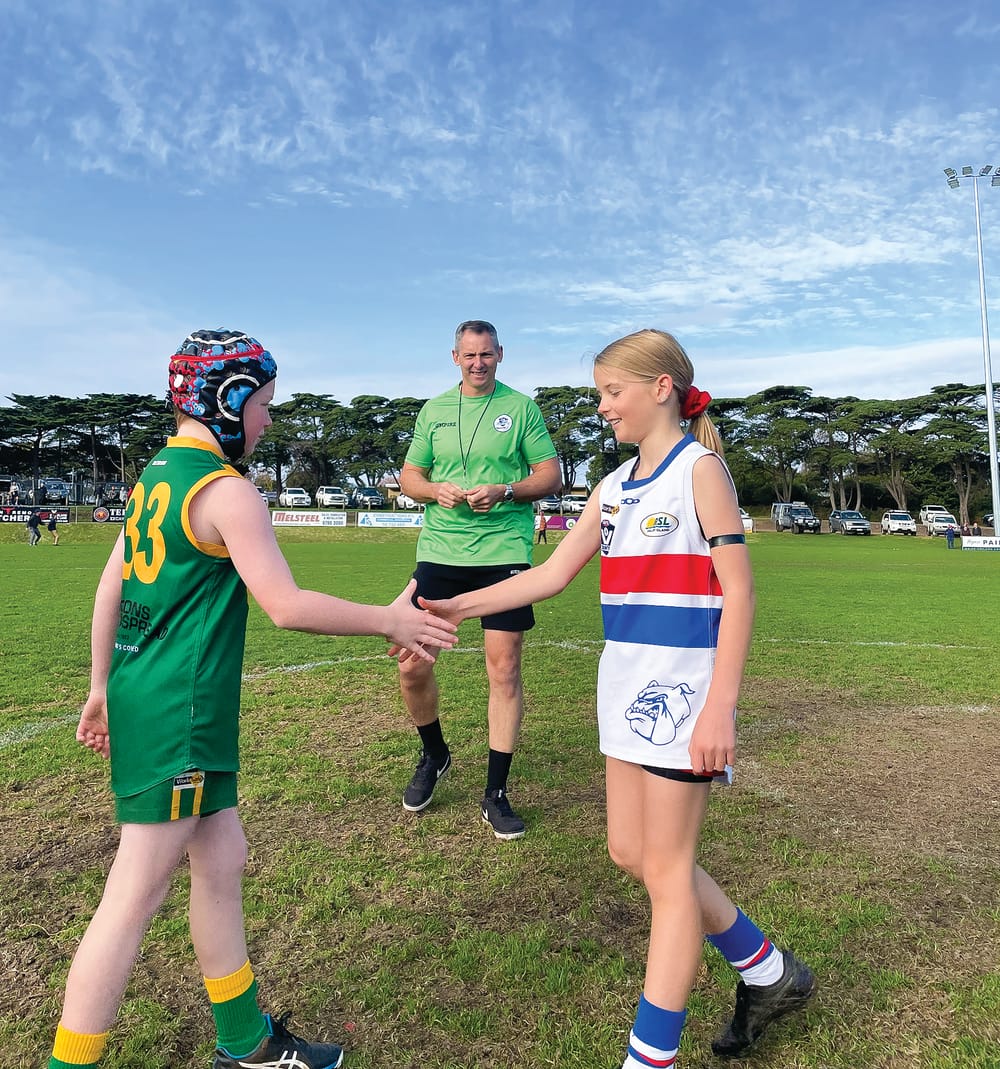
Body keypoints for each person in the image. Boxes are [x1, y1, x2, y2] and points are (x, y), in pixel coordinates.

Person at [47, 329, 457, 1069]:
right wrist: (390, 619)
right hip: (182, 712)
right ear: (229, 400)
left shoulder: (160, 471)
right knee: (133, 895)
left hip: (153, 696)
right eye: (264, 404)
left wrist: (102, 682)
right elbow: (286, 604)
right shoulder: (227, 490)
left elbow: (113, 583)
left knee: (223, 854)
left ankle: (246, 1042)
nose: (269, 420)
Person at [418, 329, 815, 1063]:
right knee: (630, 851)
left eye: (612, 391)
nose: (603, 407)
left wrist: (721, 705)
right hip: (623, 691)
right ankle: (769, 971)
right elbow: (546, 577)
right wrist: (453, 609)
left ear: (660, 387)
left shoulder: (702, 473)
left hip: (686, 699)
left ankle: (647, 1056)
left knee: (668, 874)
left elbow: (741, 591)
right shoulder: (612, 486)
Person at [396, 320, 562, 839]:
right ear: (454, 357)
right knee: (411, 664)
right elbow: (409, 477)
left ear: (500, 355)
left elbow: (550, 475)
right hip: (441, 550)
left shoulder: (522, 408)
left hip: (503, 551)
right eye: (469, 355)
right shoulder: (434, 411)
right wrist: (431, 491)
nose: (478, 363)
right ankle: (435, 753)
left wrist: (507, 490)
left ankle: (496, 793)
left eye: (486, 354)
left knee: (504, 667)